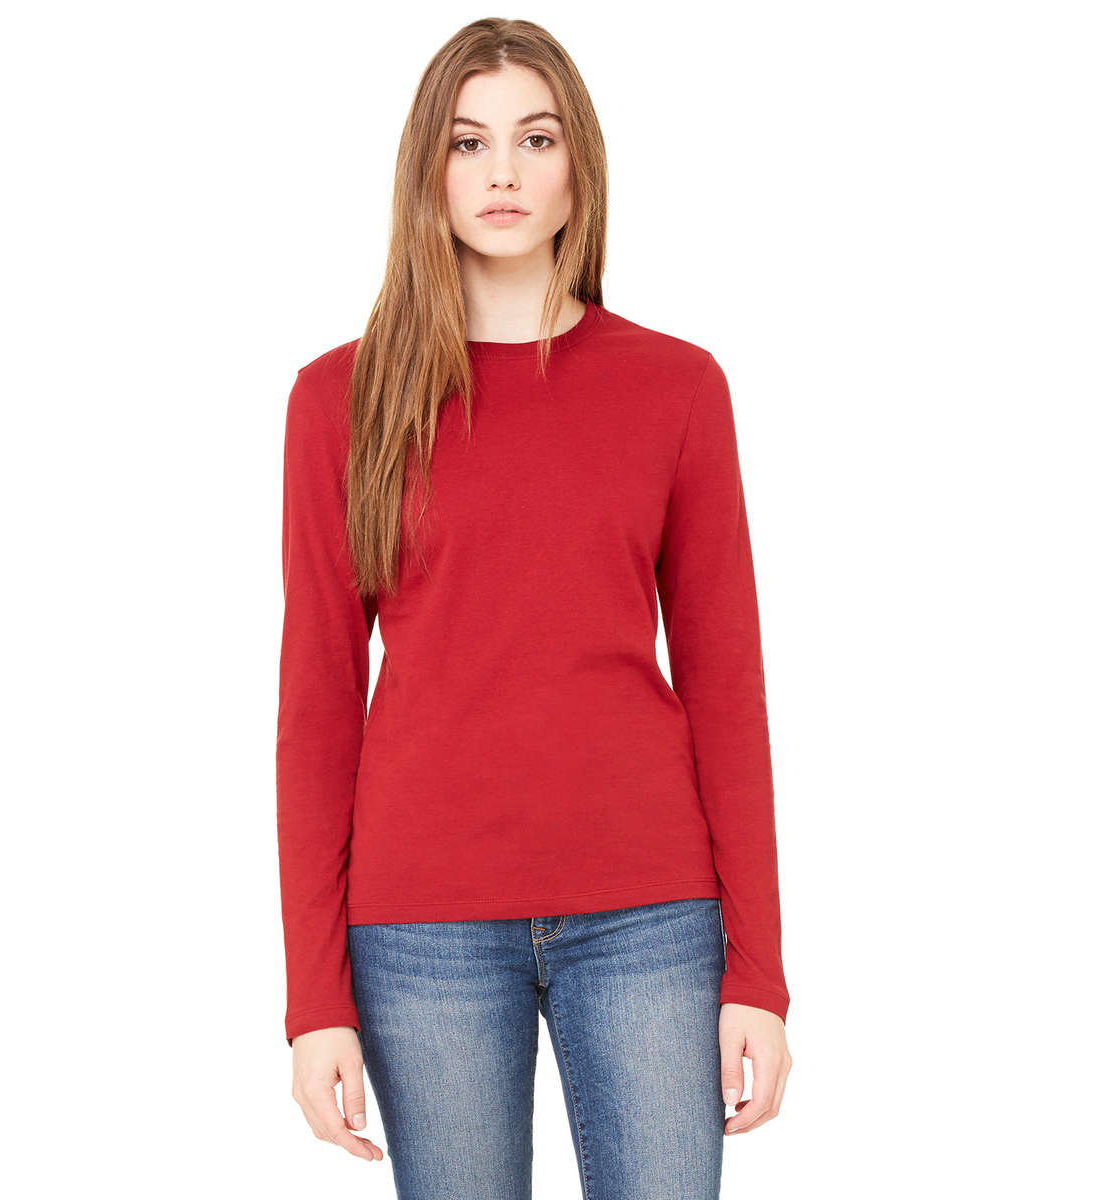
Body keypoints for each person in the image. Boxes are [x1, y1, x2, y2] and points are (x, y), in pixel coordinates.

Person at [276, 17, 792, 1199]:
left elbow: (728, 684)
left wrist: (759, 972)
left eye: (535, 138)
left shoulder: (676, 388)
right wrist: (314, 1000)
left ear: (578, 167)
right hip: (422, 925)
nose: (502, 172)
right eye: (469, 142)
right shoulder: (340, 400)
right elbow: (316, 710)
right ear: (429, 167)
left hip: (651, 914)